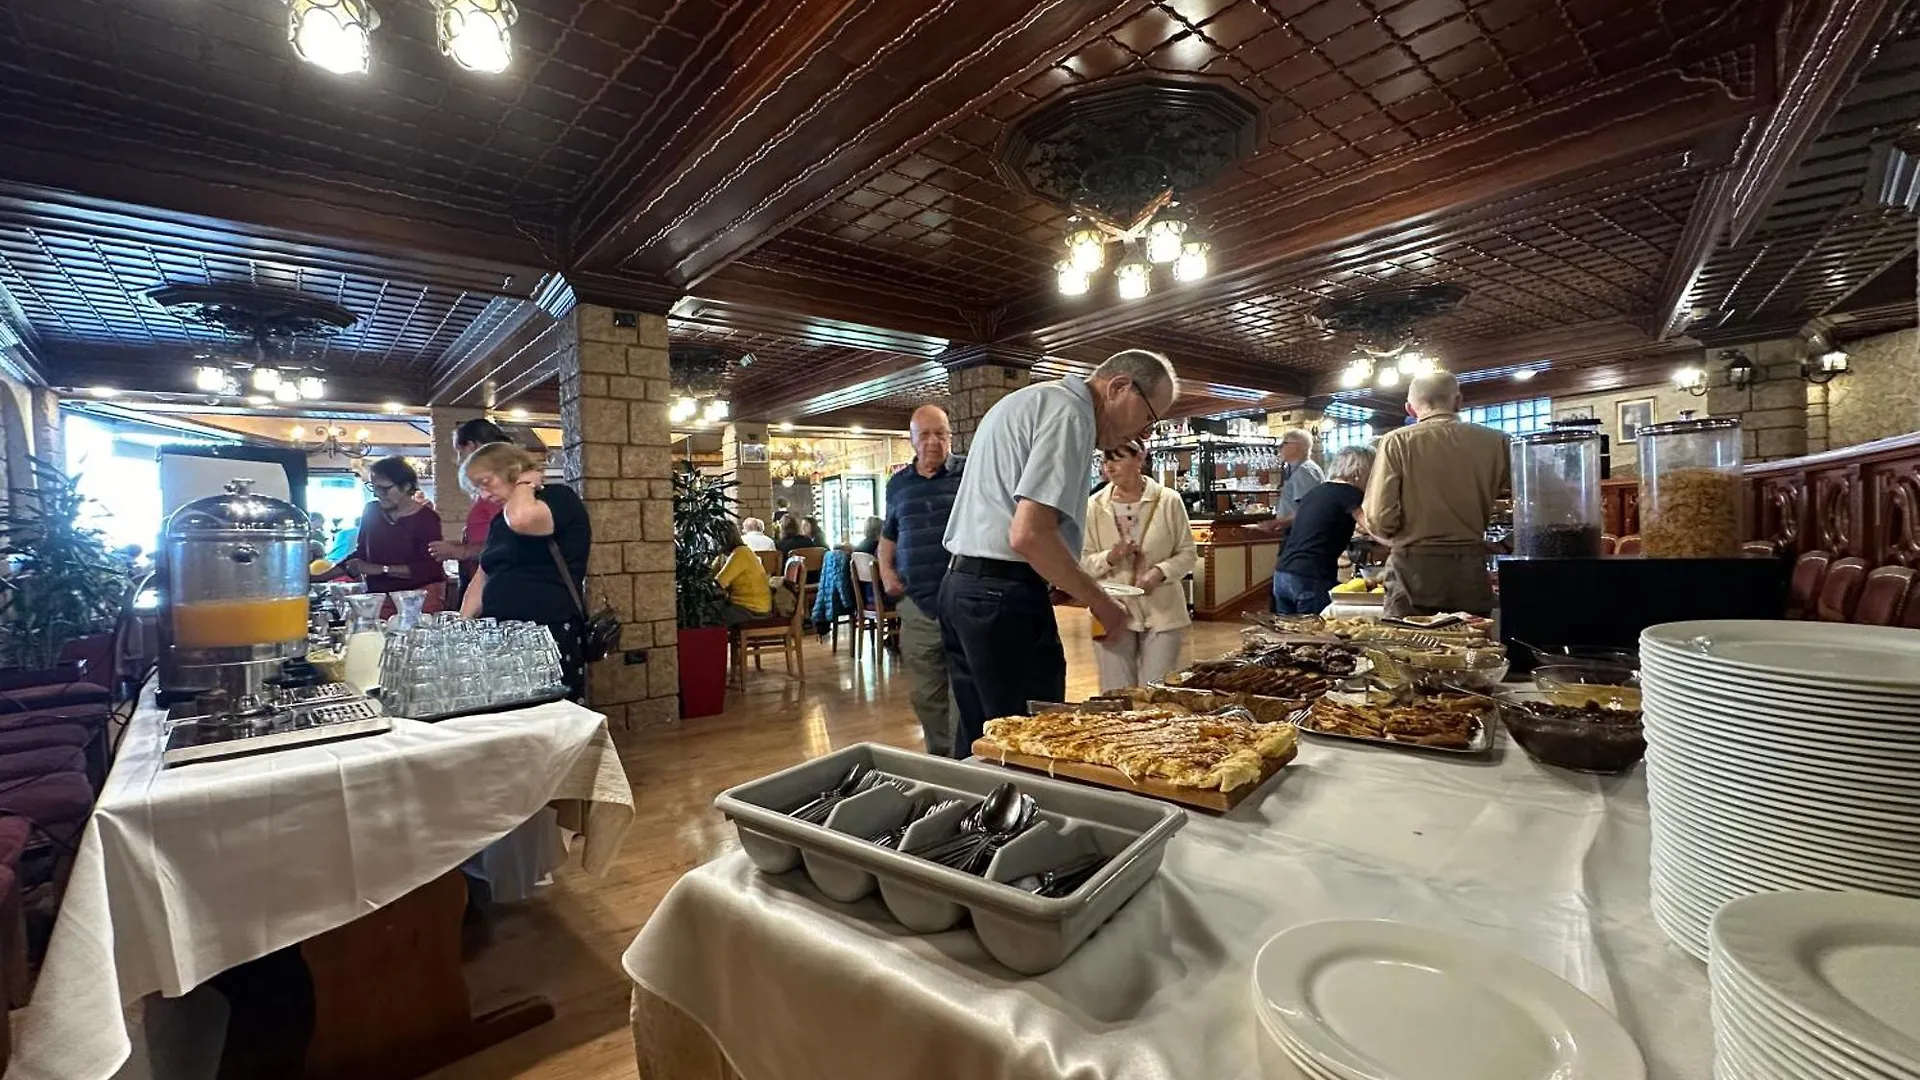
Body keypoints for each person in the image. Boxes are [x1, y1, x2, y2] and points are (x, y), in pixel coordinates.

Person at [940, 348, 1179, 758]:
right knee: (1029, 743)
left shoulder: (1032, 399)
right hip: (1002, 595)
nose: (1144, 434)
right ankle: (1017, 821)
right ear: (1120, 386)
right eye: (1149, 418)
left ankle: (976, 818)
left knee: (982, 737)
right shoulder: (1071, 413)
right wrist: (1101, 602)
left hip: (962, 588)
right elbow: (1030, 535)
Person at [1364, 370, 1509, 617]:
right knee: (1472, 648)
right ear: (1459, 402)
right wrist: (1506, 545)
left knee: (1407, 650)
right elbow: (1545, 499)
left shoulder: (1396, 442)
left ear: (1410, 409)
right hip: (1469, 568)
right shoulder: (1497, 441)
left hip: (1412, 570)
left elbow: (1379, 517)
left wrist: (1387, 533)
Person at [460, 443, 593, 700]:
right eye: (478, 489)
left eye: (486, 482)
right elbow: (484, 574)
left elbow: (523, 520)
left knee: (551, 712)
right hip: (502, 634)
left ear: (512, 469)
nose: (484, 495)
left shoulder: (559, 498)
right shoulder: (502, 519)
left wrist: (525, 483)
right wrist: (460, 626)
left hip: (548, 631)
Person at [879, 405, 965, 755]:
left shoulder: (969, 473)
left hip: (963, 599)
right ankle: (941, 761)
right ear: (912, 440)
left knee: (964, 689)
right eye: (925, 435)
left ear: (950, 436)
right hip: (917, 603)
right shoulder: (898, 484)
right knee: (925, 694)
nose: (934, 442)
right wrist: (886, 570)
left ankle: (964, 762)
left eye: (940, 434)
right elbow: (889, 534)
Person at [1080, 441, 1196, 691]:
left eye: (1117, 458)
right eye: (1105, 460)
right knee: (1116, 693)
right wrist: (1110, 557)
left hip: (1163, 610)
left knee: (1157, 692)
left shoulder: (1168, 500)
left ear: (1139, 459)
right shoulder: (1093, 506)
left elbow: (1188, 553)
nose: (1109, 467)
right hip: (1111, 608)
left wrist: (1159, 572)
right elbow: (1083, 563)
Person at [1273, 446, 1377, 615]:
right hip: (1311, 576)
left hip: (1283, 573)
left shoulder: (1317, 491)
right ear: (1362, 471)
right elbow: (1373, 527)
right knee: (1315, 637)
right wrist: (1399, 543)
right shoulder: (1350, 492)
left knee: (1289, 636)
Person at [343, 456, 446, 614]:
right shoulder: (371, 511)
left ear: (406, 486)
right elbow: (361, 553)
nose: (377, 494)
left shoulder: (426, 518)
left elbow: (429, 569)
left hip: (418, 599)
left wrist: (380, 569)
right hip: (379, 597)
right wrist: (317, 577)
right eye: (374, 487)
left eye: (384, 489)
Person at [428, 418, 512, 599]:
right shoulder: (494, 490)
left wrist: (461, 551)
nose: (458, 461)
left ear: (472, 446)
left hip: (498, 587)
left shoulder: (499, 490)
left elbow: (511, 543)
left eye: (459, 452)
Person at [1248, 427, 1325, 540]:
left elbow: (1307, 510)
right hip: (1298, 534)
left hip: (1303, 536)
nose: (1279, 449)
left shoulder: (1304, 471)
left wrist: (1275, 523)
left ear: (1295, 447)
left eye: (1283, 444)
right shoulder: (1299, 469)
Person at [714, 521, 773, 624]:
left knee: (708, 614)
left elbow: (719, 582)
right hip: (742, 605)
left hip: (754, 609)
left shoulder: (741, 553)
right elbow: (709, 572)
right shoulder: (725, 555)